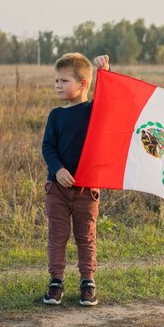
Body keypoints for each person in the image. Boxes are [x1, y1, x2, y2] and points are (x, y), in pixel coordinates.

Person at [41, 52, 109, 306]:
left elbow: (107, 100)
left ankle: (87, 281)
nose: (58, 85)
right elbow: (48, 147)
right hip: (56, 189)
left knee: (85, 236)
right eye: (56, 80)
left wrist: (104, 71)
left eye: (64, 81)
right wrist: (57, 169)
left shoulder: (93, 112)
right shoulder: (55, 115)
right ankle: (56, 281)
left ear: (82, 83)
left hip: (86, 188)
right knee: (57, 236)